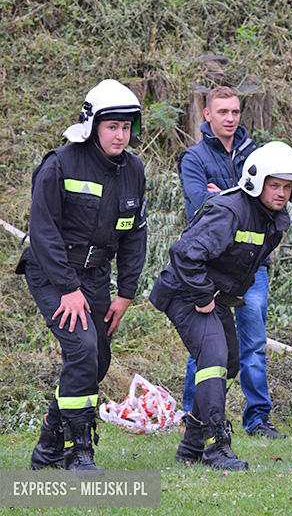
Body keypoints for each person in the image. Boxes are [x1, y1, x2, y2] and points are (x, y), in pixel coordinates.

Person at [150, 141, 292, 470]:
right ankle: (216, 445)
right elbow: (184, 254)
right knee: (213, 359)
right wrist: (204, 297)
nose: (282, 193)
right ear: (255, 181)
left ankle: (190, 444)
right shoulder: (229, 210)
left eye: (288, 187)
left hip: (213, 295)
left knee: (230, 364)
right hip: (186, 292)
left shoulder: (272, 218)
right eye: (274, 185)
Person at [18, 79, 147, 470]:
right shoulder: (60, 163)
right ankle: (79, 451)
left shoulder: (135, 170)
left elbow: (135, 235)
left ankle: (48, 446)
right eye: (113, 126)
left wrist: (126, 293)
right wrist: (68, 288)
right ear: (92, 126)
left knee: (99, 358)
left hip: (95, 276)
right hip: (51, 271)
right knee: (82, 349)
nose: (120, 135)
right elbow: (42, 231)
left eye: (126, 127)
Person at [178, 86, 286, 439]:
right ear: (206, 115)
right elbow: (201, 207)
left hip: (253, 270)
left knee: (254, 345)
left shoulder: (255, 152)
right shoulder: (194, 158)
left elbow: (271, 203)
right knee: (205, 347)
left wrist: (220, 193)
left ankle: (257, 419)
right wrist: (240, 195)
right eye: (222, 112)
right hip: (209, 271)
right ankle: (196, 418)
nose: (230, 118)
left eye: (235, 112)